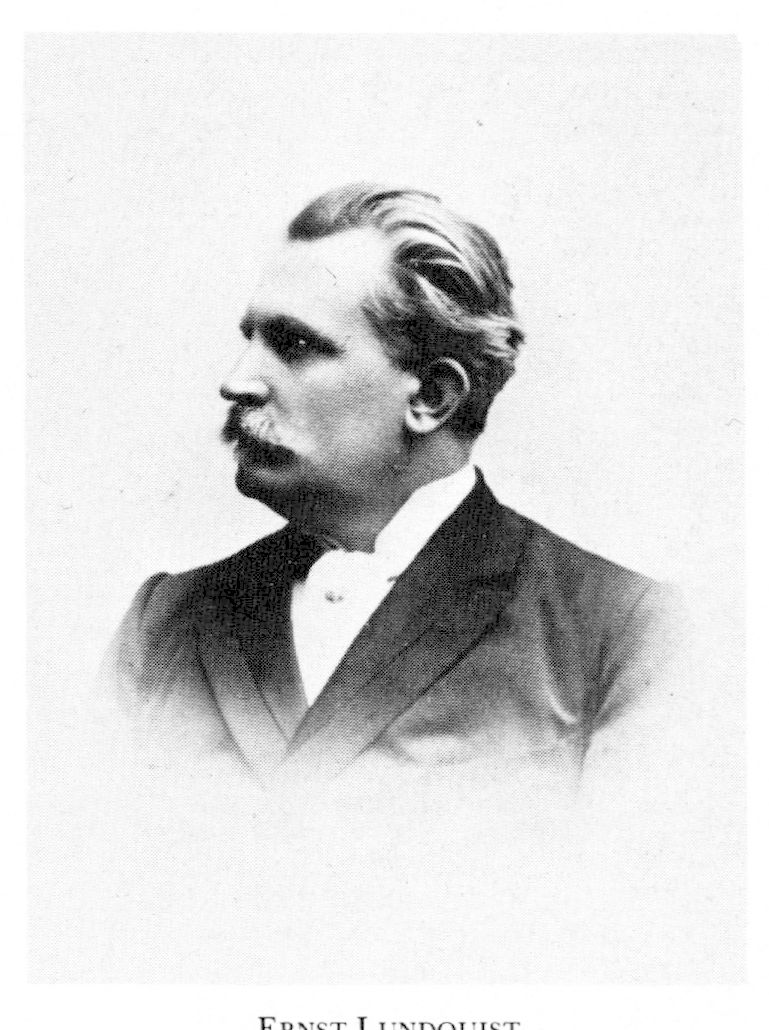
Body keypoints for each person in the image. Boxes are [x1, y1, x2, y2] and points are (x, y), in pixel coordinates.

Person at [102, 183, 684, 796]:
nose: (237, 381)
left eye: (295, 345)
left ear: (432, 397)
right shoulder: (164, 621)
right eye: (249, 340)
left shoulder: (622, 632)